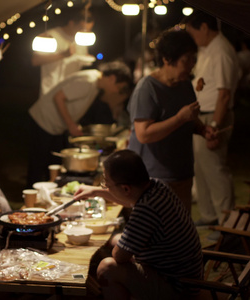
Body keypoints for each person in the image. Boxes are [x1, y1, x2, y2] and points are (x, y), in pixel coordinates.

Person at [73, 149, 203, 299]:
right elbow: (128, 200)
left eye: (106, 183)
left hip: (178, 287)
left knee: (107, 267)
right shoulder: (157, 186)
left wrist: (121, 247)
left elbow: (119, 256)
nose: (105, 187)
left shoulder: (145, 210)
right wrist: (95, 191)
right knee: (114, 239)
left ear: (126, 188)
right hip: (184, 272)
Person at [126, 29, 214, 211]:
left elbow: (189, 119)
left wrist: (203, 130)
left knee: (181, 232)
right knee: (159, 235)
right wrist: (180, 118)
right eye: (186, 59)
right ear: (167, 59)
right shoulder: (147, 88)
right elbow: (144, 134)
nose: (191, 65)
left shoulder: (185, 84)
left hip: (182, 173)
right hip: (154, 178)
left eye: (193, 59)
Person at [27, 61, 133, 186]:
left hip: (54, 126)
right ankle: (31, 200)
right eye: (119, 87)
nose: (117, 91)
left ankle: (46, 196)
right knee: (38, 166)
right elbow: (58, 97)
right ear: (112, 78)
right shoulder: (88, 80)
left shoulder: (96, 84)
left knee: (52, 165)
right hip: (43, 120)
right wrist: (71, 124)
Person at [183, 11, 240, 234]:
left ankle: (227, 222)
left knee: (215, 169)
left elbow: (224, 94)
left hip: (213, 116)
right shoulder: (207, 49)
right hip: (202, 115)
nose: (192, 37)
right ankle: (209, 215)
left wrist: (215, 126)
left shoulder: (221, 51)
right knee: (201, 167)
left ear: (204, 27)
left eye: (192, 32)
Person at [31, 6, 96, 96]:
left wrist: (85, 58)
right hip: (51, 89)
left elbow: (80, 57)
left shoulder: (83, 38)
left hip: (69, 90)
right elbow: (35, 60)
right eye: (82, 28)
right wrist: (63, 55)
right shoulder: (50, 36)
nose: (86, 32)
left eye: (89, 30)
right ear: (71, 23)